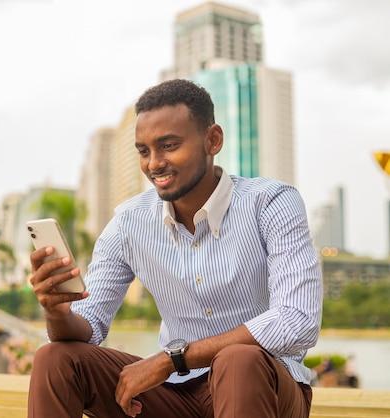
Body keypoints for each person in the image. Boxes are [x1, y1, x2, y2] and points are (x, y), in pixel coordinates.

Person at [27, 79, 323, 418]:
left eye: (168, 145)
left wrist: (173, 359)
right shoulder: (128, 223)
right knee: (55, 358)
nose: (154, 164)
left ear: (213, 140)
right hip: (174, 394)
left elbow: (297, 320)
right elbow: (89, 328)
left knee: (238, 359)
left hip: (265, 388)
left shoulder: (270, 203)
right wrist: (57, 312)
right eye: (144, 151)